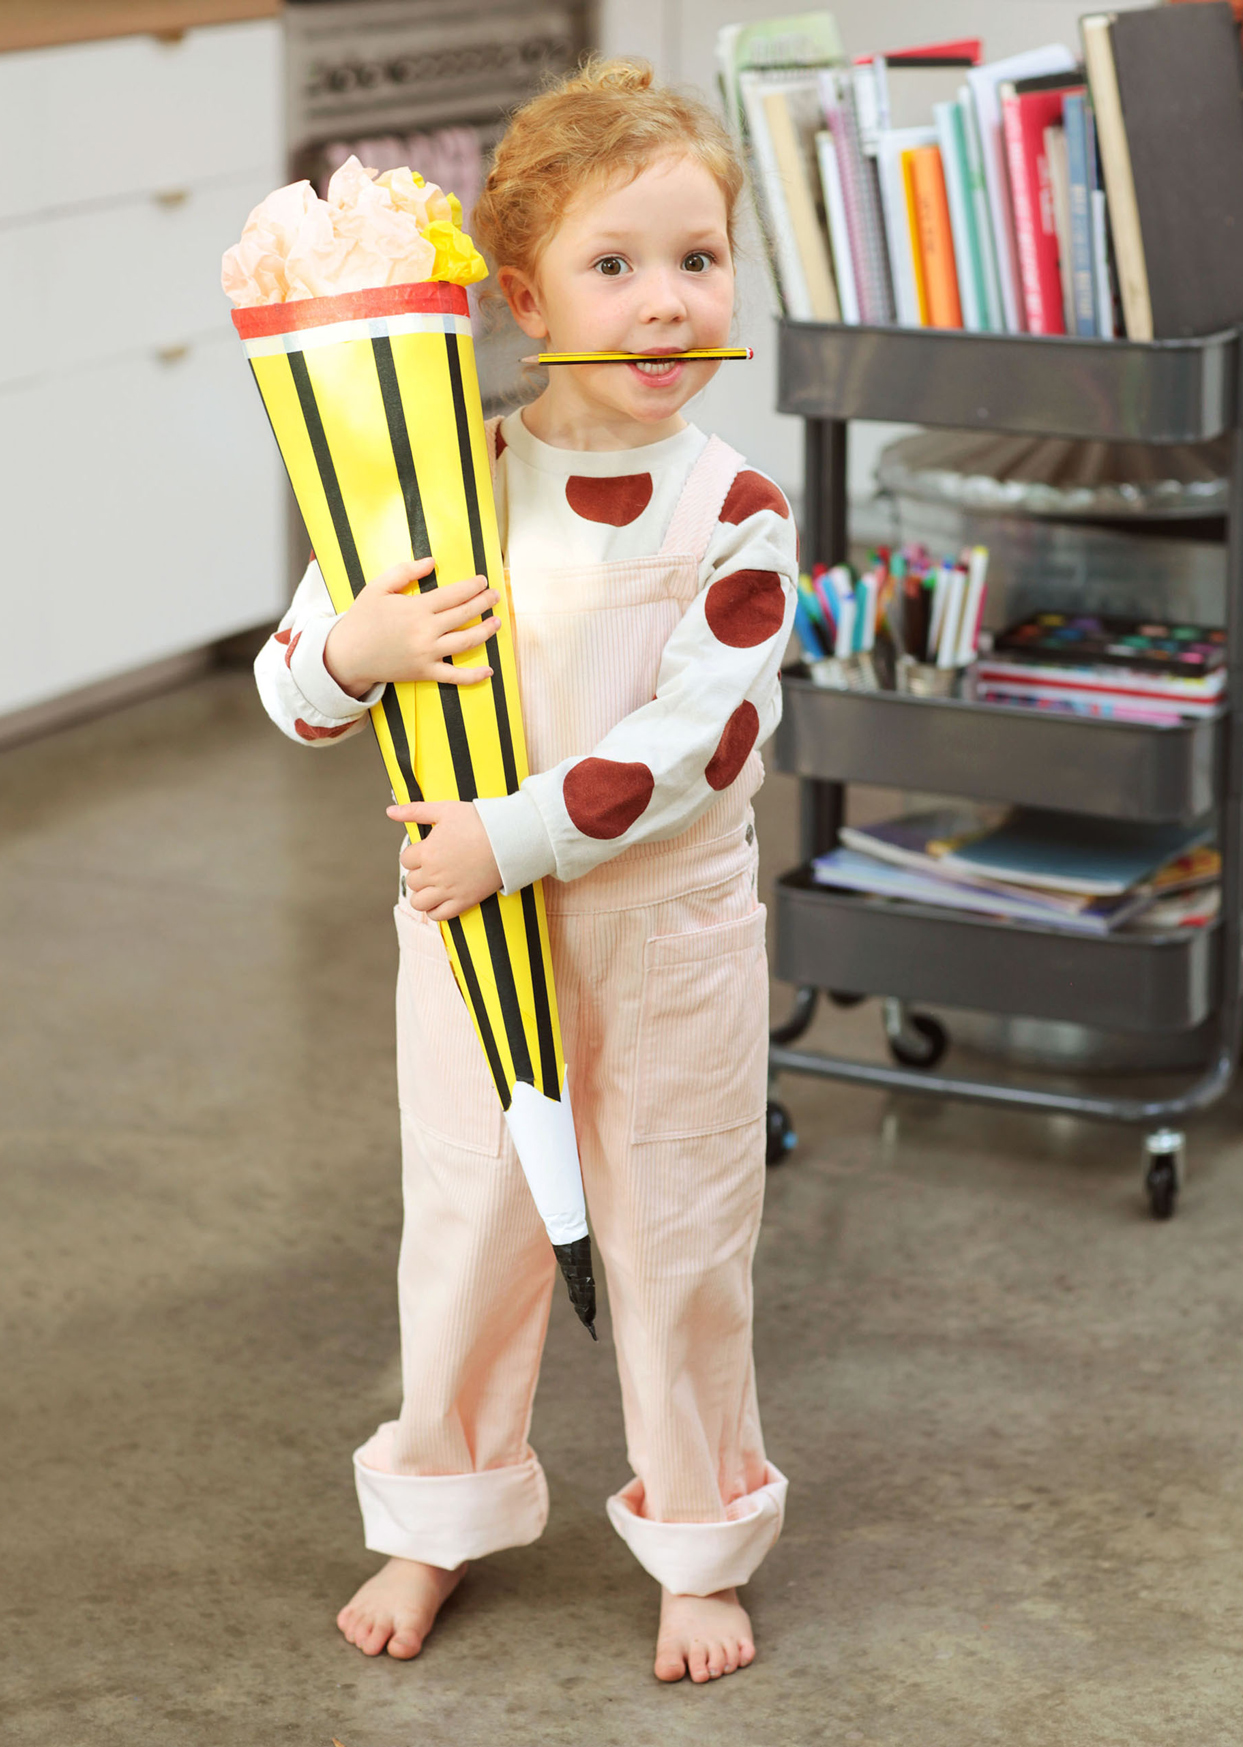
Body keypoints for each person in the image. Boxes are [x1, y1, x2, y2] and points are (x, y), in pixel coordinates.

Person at [254, 58, 797, 1685]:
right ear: (521, 292)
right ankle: (436, 1513)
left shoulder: (737, 511)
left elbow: (697, 745)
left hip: (665, 944)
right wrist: (359, 643)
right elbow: (291, 692)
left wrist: (511, 833)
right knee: (471, 1231)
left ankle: (700, 1538)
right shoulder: (445, 488)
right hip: (468, 942)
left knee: (680, 1242)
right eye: (612, 266)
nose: (660, 307)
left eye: (696, 261)